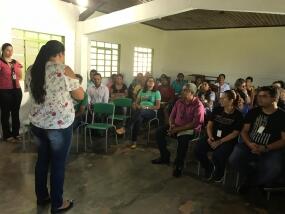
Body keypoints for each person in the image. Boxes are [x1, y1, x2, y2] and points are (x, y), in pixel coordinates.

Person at [28, 40, 84, 213]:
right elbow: (80, 95)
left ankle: (42, 197)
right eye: (63, 55)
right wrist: (72, 76)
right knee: (58, 165)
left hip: (37, 124)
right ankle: (57, 204)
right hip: (59, 126)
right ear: (60, 54)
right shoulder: (63, 69)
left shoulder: (32, 69)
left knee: (42, 161)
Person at [229, 86, 285, 192]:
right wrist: (250, 144)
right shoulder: (253, 112)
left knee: (275, 168)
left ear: (274, 98)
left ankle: (251, 182)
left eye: (264, 96)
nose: (259, 98)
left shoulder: (282, 116)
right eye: (259, 96)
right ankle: (255, 179)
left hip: (271, 149)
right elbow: (244, 131)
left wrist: (265, 148)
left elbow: (284, 140)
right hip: (250, 145)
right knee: (234, 158)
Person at [152, 83, 205, 177]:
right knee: (159, 132)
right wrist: (172, 125)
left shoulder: (198, 105)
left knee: (183, 141)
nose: (182, 92)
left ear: (192, 92)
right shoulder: (179, 101)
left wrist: (177, 129)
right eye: (183, 90)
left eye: (185, 90)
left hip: (190, 130)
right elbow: (172, 115)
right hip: (176, 126)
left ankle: (178, 165)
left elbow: (194, 124)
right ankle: (165, 156)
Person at [195, 90, 243, 182]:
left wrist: (220, 141)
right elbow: (209, 125)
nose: (220, 99)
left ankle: (219, 172)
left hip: (227, 141)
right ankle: (208, 167)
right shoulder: (217, 109)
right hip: (213, 137)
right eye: (220, 97)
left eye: (223, 98)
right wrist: (210, 137)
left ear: (231, 100)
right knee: (198, 150)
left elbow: (235, 133)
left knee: (218, 155)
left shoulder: (238, 115)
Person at [117, 77, 161, 149]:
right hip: (140, 111)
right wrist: (137, 105)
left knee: (139, 112)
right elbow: (136, 102)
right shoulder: (142, 91)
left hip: (151, 112)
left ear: (154, 83)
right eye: (149, 81)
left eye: (152, 81)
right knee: (138, 119)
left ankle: (125, 127)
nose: (150, 82)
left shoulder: (156, 92)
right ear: (146, 82)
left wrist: (146, 107)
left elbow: (157, 106)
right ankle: (134, 142)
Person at [0, 43, 23, 143]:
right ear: (3, 50)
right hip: (4, 91)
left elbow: (20, 75)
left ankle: (16, 133)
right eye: (8, 50)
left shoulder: (16, 62)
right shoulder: (0, 62)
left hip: (17, 90)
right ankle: (7, 135)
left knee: (15, 113)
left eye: (11, 50)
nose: (10, 52)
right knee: (5, 113)